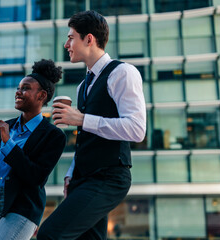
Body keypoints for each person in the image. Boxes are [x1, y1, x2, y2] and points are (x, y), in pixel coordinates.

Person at [37, 10, 146, 240]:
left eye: (71, 37)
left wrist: (82, 119)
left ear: (89, 39)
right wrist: (71, 173)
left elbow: (137, 129)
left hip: (109, 177)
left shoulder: (122, 72)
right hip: (84, 177)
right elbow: (89, 136)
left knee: (49, 234)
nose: (66, 44)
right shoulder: (82, 86)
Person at [0, 59, 66, 240]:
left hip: (22, 205)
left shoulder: (53, 135)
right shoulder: (5, 126)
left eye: (25, 88)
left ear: (41, 96)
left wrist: (8, 143)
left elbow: (36, 177)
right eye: (18, 87)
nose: (18, 91)